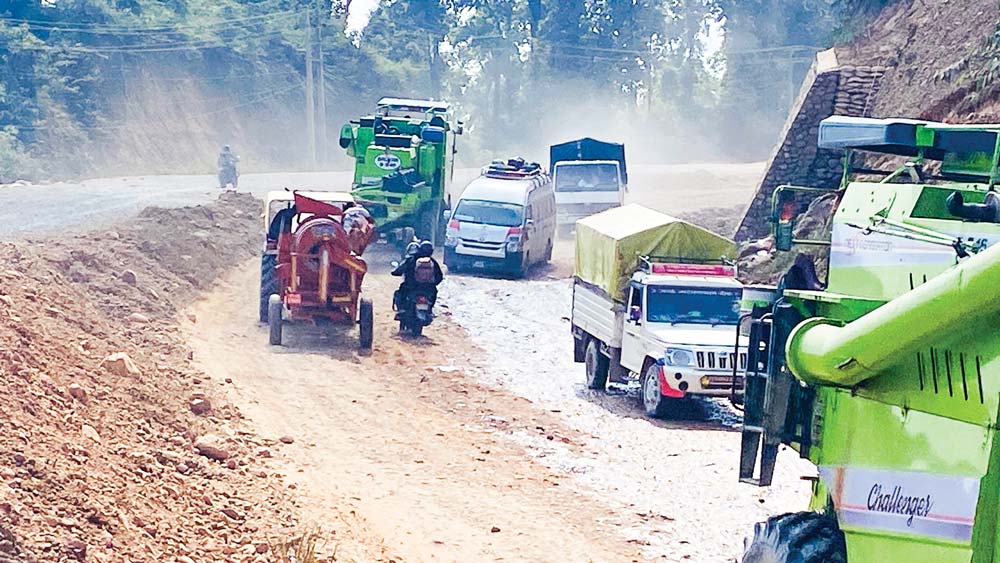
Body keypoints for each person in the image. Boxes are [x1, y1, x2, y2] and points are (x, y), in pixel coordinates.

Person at [392, 240, 444, 311]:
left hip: (411, 287)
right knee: (434, 292)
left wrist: (395, 272)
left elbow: (399, 270)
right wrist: (432, 284)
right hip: (429, 288)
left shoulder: (411, 260)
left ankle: (401, 310)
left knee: (400, 292)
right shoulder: (433, 262)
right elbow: (439, 277)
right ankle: (430, 310)